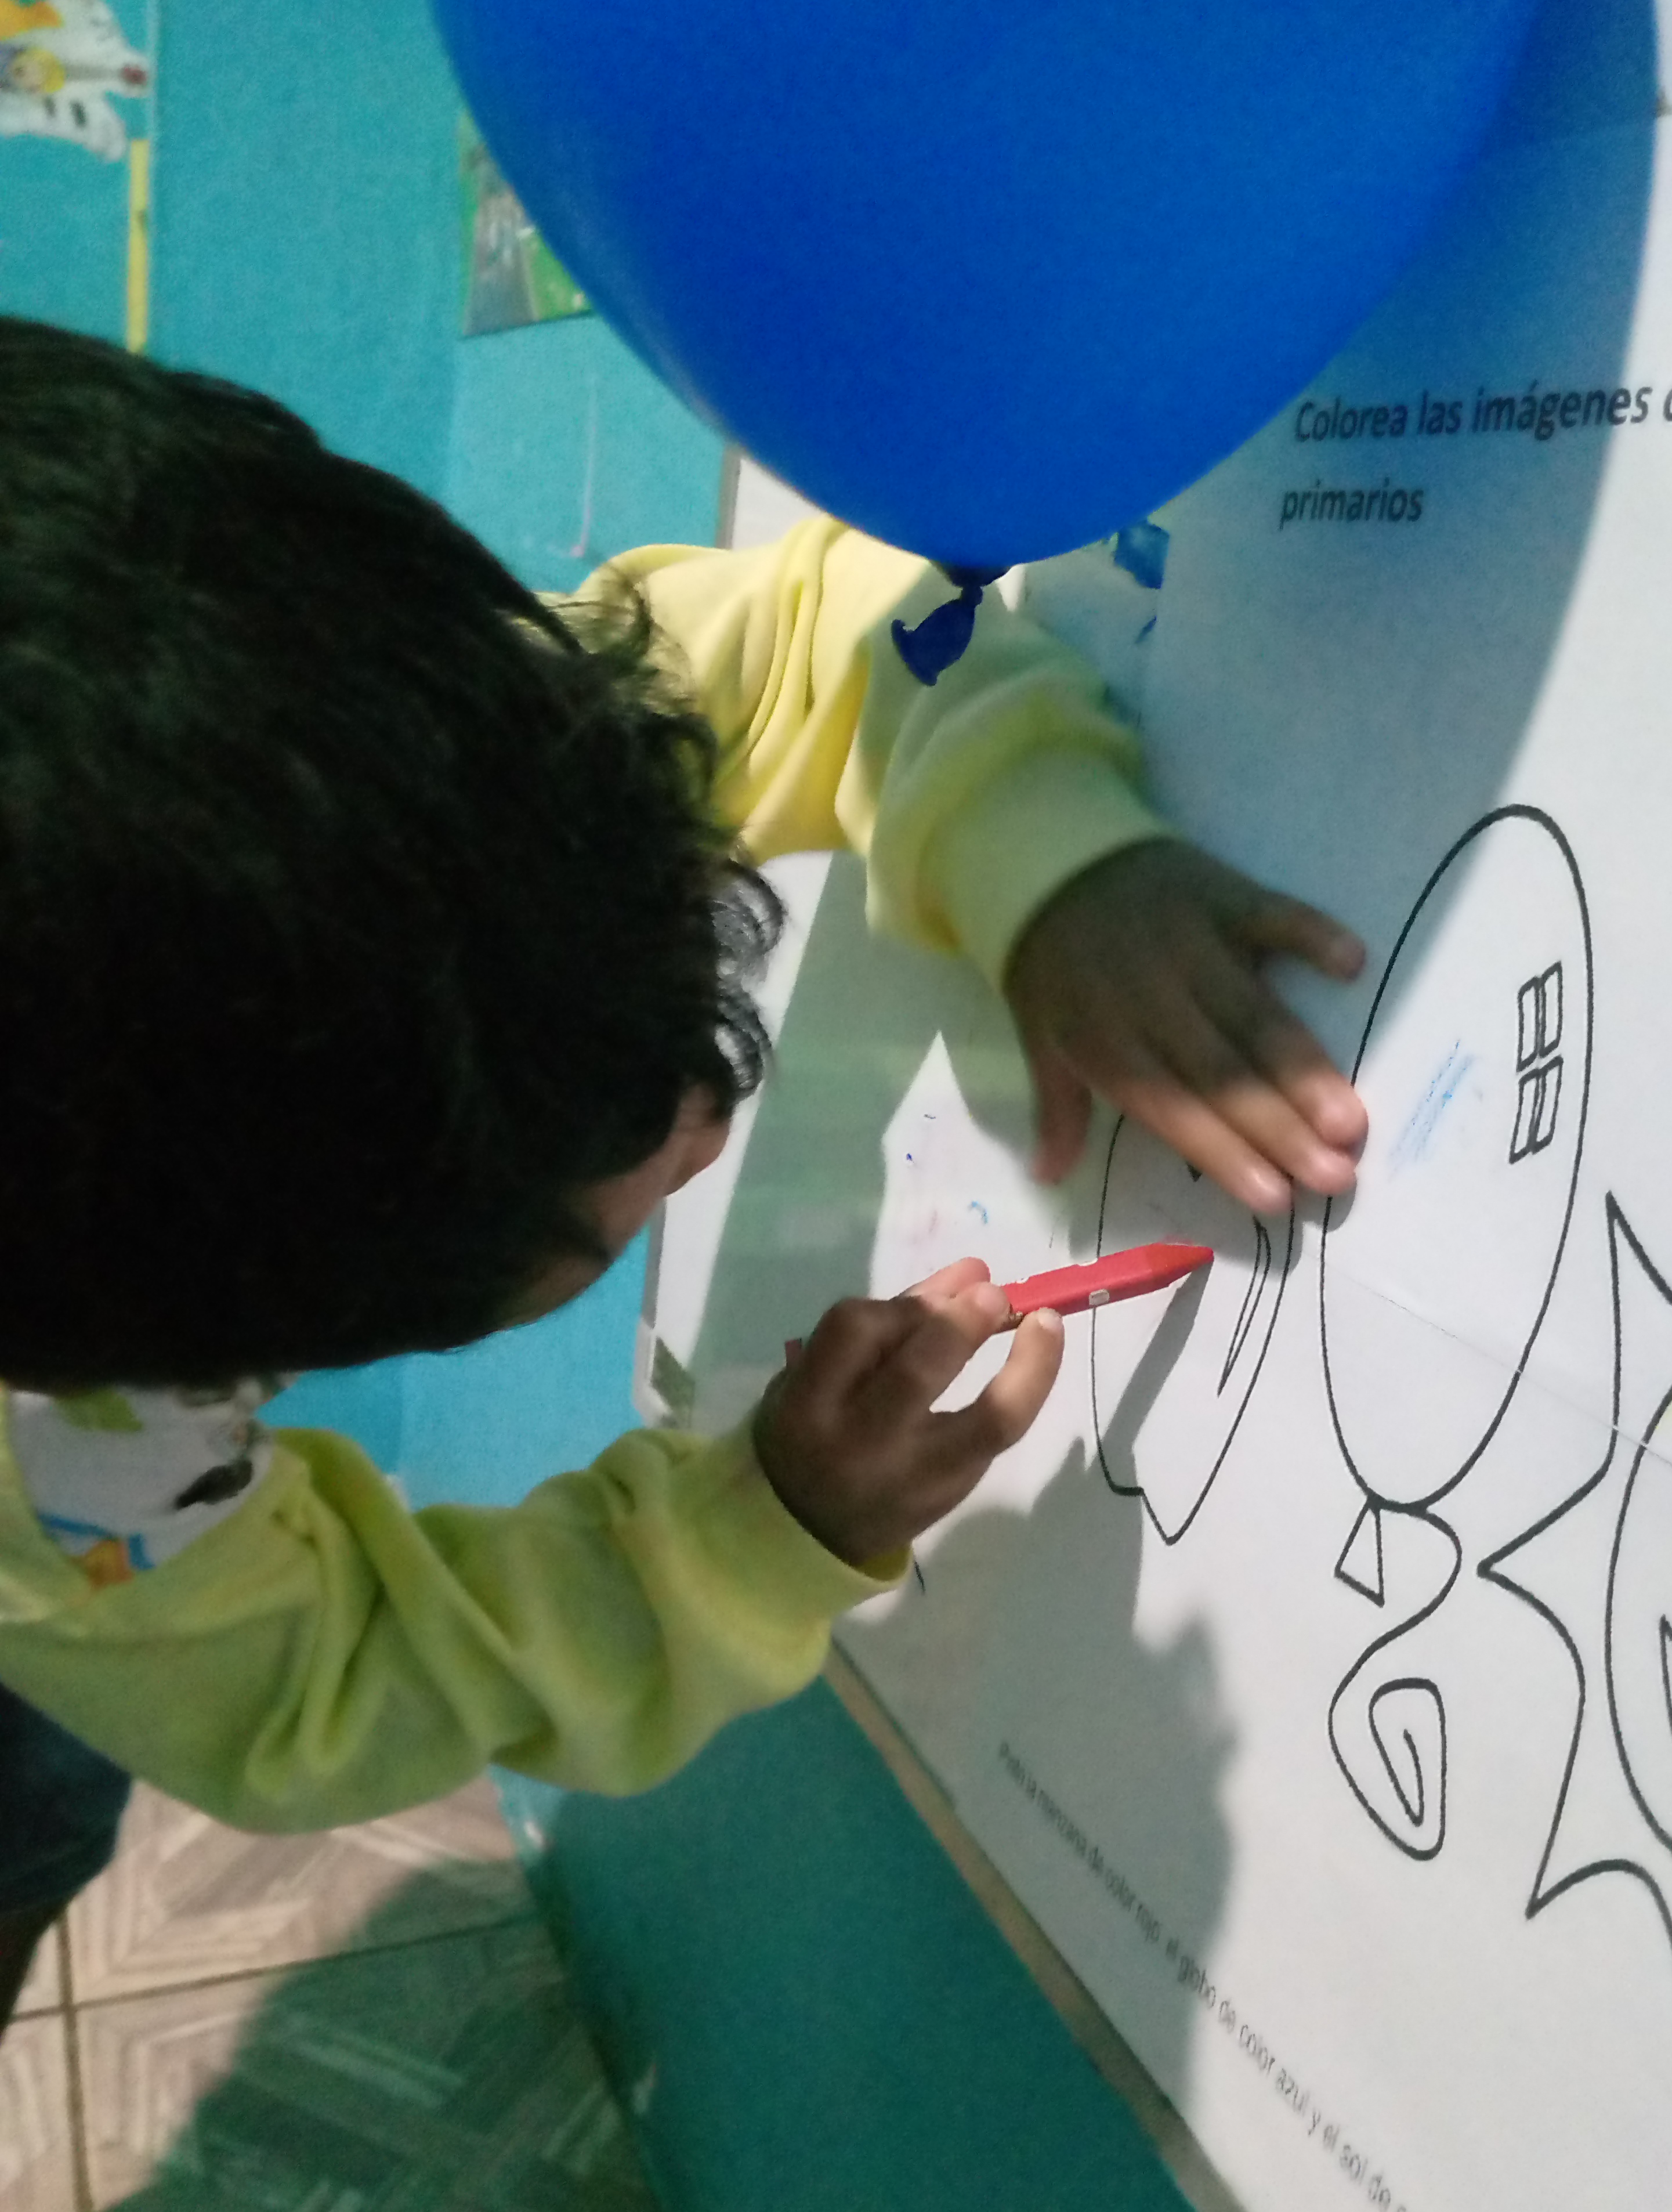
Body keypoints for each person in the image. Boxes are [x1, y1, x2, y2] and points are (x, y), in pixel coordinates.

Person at [0, 315, 1369, 2031]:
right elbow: (324, 1686)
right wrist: (759, 1530)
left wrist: (1054, 862)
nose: (707, 1122)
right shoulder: (69, 1451)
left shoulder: (411, 756)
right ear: (250, 1336)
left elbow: (830, 629)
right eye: (591, 1199)